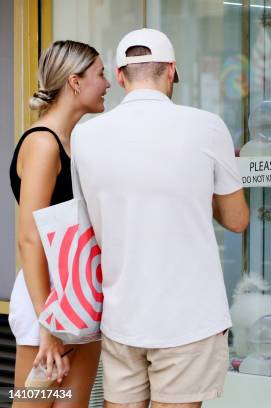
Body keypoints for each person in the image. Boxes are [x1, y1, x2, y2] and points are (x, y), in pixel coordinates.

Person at [70, 29, 249, 407]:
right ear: (171, 71)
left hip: (121, 317)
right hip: (189, 320)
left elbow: (86, 219)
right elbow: (237, 220)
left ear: (119, 76)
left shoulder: (85, 137)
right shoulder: (207, 126)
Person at [8, 40, 110, 407]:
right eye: (100, 74)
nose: (108, 83)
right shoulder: (43, 143)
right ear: (75, 82)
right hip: (47, 301)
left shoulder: (73, 142)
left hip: (76, 295)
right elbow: (29, 239)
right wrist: (48, 323)